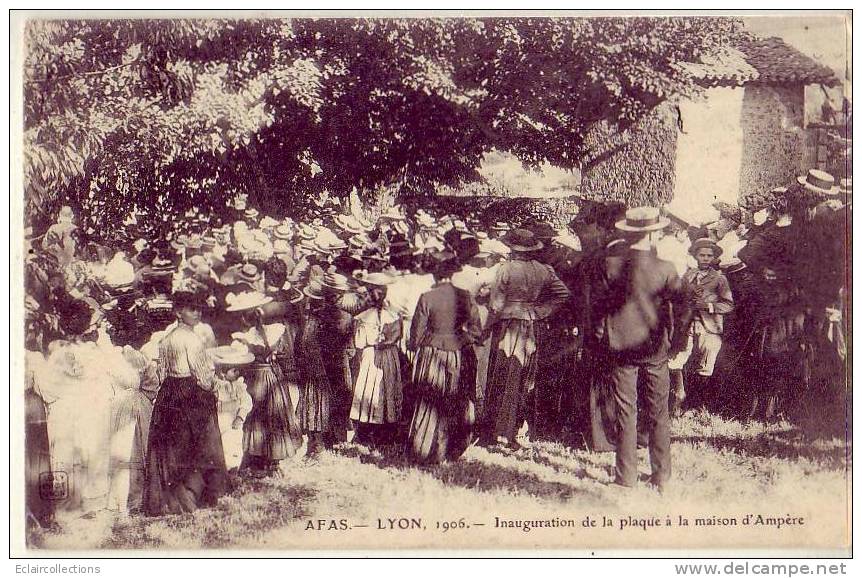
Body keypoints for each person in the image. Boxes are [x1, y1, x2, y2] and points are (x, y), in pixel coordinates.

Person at [586, 207, 690, 491]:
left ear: (628, 232)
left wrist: (602, 336)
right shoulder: (667, 267)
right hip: (655, 348)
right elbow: (683, 309)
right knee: (659, 412)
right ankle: (662, 477)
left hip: (620, 348)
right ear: (654, 232)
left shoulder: (609, 265)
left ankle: (626, 478)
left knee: (625, 411)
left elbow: (597, 308)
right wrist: (676, 341)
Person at [143, 291, 231, 515]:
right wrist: (215, 388)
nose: (197, 312)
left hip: (169, 394)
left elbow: (161, 372)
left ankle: (176, 497)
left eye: (199, 308)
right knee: (200, 443)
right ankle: (196, 495)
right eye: (192, 309)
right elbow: (202, 376)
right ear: (178, 312)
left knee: (173, 447)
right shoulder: (192, 340)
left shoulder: (167, 339)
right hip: (190, 393)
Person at [482, 228, 571, 448]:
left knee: (504, 374)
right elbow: (563, 295)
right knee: (523, 376)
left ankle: (499, 431)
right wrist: (539, 311)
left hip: (508, 326)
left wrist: (488, 323)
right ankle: (515, 429)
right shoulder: (544, 270)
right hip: (531, 325)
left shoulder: (506, 269)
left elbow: (495, 304)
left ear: (512, 248)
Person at [406, 252, 481, 464]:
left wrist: (415, 347)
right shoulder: (465, 296)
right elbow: (476, 330)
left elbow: (416, 334)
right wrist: (461, 338)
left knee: (430, 398)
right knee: (453, 398)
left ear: (436, 274)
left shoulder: (427, 297)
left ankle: (424, 447)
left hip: (431, 353)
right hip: (456, 353)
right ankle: (449, 448)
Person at [228, 291, 304, 476]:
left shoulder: (243, 338)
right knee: (273, 417)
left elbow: (239, 364)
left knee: (256, 418)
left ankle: (256, 458)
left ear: (244, 318)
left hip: (254, 381)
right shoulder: (274, 331)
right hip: (271, 378)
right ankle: (271, 461)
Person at [668, 238, 734, 414]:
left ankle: (698, 406)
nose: (705, 258)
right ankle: (679, 398)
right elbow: (678, 299)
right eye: (701, 255)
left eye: (709, 256)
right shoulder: (688, 276)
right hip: (687, 325)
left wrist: (709, 306)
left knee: (705, 366)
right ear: (695, 256)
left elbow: (728, 305)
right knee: (677, 360)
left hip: (710, 327)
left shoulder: (720, 279)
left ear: (714, 258)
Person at [350, 272, 404, 445]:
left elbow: (360, 342)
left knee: (380, 388)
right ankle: (373, 431)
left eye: (382, 291)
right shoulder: (388, 315)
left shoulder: (381, 315)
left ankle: (379, 431)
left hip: (378, 355)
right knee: (373, 390)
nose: (379, 294)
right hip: (377, 355)